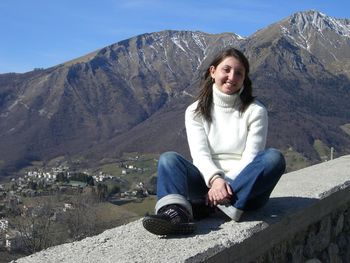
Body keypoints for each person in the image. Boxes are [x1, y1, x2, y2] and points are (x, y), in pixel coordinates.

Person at [142, 47, 286, 236]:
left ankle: (206, 208)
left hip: (245, 190)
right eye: (226, 70)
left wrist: (225, 187)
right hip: (208, 185)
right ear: (213, 72)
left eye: (239, 73)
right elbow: (200, 155)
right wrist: (216, 181)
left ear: (244, 79)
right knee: (169, 159)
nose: (232, 77)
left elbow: (251, 157)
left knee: (273, 158)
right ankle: (175, 213)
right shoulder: (195, 111)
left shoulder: (255, 111)